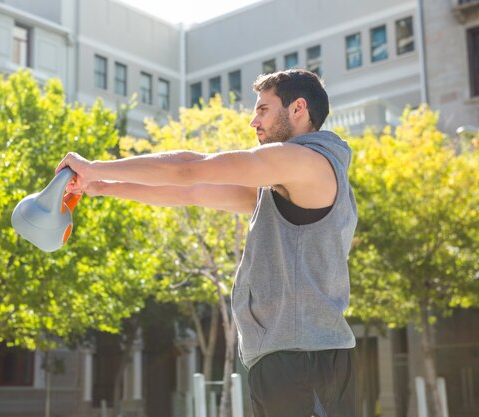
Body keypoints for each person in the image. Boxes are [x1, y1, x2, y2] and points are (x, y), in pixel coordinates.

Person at [56, 68, 357, 417]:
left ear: (297, 109)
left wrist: (93, 167)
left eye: (263, 109)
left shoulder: (304, 162)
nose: (253, 121)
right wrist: (102, 186)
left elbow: (190, 168)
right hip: (289, 355)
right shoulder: (283, 184)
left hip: (304, 358)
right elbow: (193, 190)